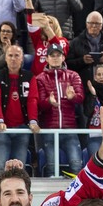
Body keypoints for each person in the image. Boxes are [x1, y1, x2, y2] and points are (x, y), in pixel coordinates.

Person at [0, 44, 40, 172]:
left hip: (22, 127)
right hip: (2, 128)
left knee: (19, 168)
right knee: (0, 166)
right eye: (10, 55)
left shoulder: (30, 77)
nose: (13, 59)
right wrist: (0, 120)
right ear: (5, 58)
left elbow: (32, 100)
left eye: (17, 56)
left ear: (22, 58)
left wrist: (33, 121)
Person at [35, 42, 83, 177]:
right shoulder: (40, 78)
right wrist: (49, 103)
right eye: (52, 55)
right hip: (50, 129)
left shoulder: (73, 75)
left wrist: (72, 97)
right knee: (51, 167)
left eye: (58, 55)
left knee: (76, 166)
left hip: (70, 128)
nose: (55, 58)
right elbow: (39, 104)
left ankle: (79, 196)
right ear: (47, 58)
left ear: (63, 58)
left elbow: (80, 98)